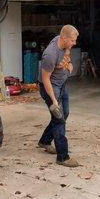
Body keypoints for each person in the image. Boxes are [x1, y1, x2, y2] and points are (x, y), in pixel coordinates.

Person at [38, 25, 80, 167]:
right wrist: (54, 101)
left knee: (65, 113)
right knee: (59, 119)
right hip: (50, 88)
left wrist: (68, 63)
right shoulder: (50, 54)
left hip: (62, 84)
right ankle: (63, 157)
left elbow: (66, 53)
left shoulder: (61, 42)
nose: (75, 43)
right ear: (64, 38)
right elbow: (45, 80)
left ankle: (44, 141)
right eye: (73, 40)